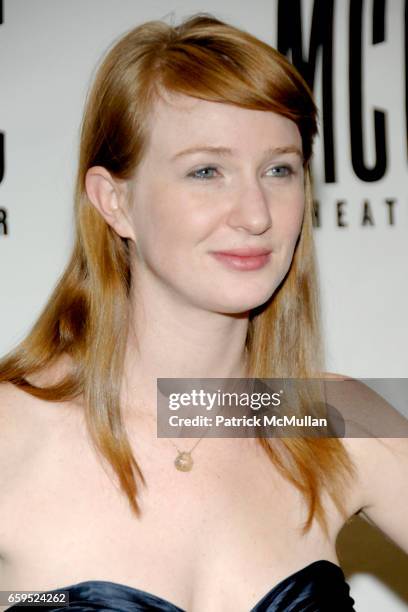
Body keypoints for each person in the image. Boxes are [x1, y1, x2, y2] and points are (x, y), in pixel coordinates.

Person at [0, 13, 407, 612]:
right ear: (114, 202)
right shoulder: (11, 428)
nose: (256, 213)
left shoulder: (335, 417)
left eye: (279, 169)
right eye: (207, 171)